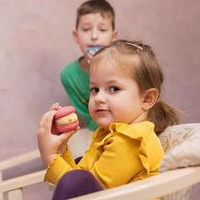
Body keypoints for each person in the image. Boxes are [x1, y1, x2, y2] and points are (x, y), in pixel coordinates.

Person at [37, 40, 180, 200]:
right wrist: (61, 149)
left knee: (77, 179)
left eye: (113, 89)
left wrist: (50, 157)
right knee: (79, 170)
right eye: (94, 89)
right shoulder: (106, 135)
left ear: (146, 99)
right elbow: (84, 178)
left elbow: (85, 192)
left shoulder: (132, 140)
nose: (99, 98)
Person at [60, 0, 118, 157]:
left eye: (102, 29)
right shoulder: (68, 75)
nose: (93, 36)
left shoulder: (122, 66)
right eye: (86, 29)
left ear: (113, 36)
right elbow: (88, 114)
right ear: (76, 36)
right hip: (96, 131)